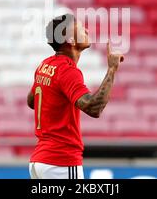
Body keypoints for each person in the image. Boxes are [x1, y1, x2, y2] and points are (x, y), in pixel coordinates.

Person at [27, 14, 124, 179]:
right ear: (71, 40)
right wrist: (112, 69)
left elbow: (31, 101)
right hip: (61, 162)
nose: (86, 30)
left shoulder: (45, 65)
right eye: (80, 28)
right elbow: (94, 108)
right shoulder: (68, 71)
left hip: (39, 162)